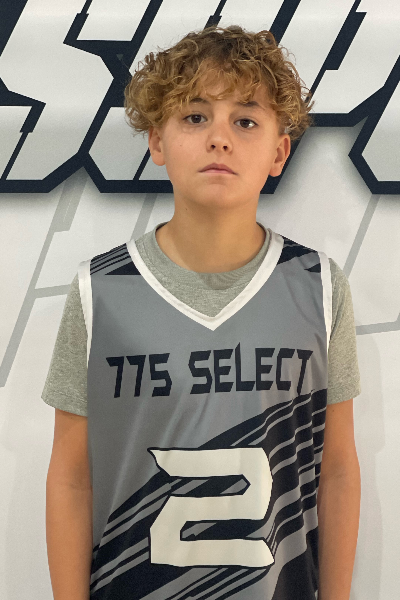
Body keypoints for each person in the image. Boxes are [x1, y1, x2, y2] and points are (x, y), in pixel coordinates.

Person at [43, 25, 361, 600]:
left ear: (279, 151)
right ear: (157, 143)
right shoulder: (101, 290)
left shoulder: (317, 286)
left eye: (246, 121)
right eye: (195, 117)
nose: (219, 138)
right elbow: (71, 477)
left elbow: (335, 469)